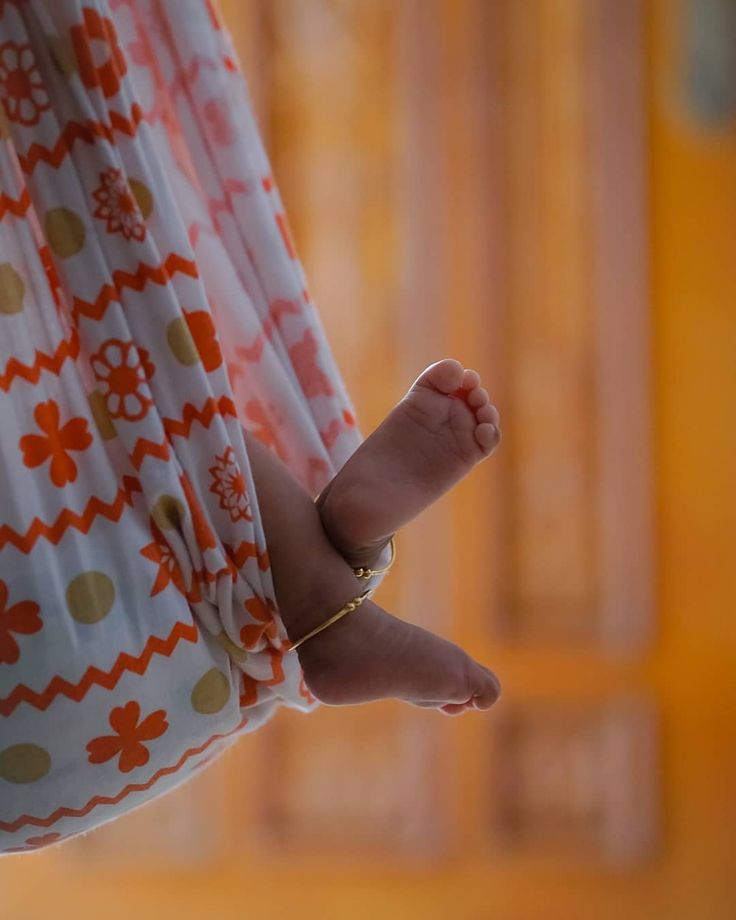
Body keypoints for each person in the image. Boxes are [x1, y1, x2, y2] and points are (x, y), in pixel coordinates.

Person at [0, 0, 500, 855]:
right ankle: (312, 574)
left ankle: (311, 576)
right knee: (119, 397)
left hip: (56, 695)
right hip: (82, 646)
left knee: (102, 401)